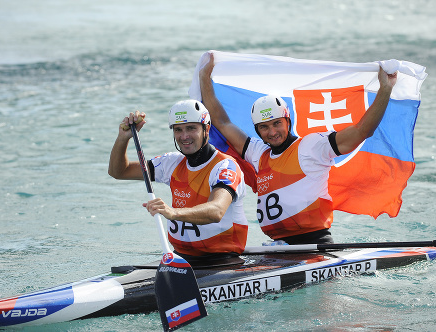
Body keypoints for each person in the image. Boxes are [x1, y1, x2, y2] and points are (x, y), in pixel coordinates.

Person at [199, 52, 397, 245]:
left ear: (288, 120)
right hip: (277, 247)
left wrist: (385, 89)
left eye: (277, 123)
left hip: (314, 244)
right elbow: (222, 122)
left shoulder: (311, 146)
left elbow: (361, 131)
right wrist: (205, 77)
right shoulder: (258, 153)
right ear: (258, 131)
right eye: (264, 127)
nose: (272, 132)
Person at [108, 100, 248, 264]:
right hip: (181, 259)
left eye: (191, 128)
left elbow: (216, 210)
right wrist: (123, 138)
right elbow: (119, 172)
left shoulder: (225, 166)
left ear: (206, 129)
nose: (184, 136)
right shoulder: (172, 162)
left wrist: (173, 213)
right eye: (178, 130)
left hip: (222, 261)